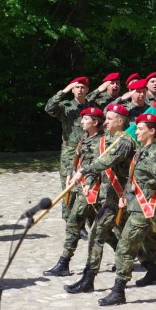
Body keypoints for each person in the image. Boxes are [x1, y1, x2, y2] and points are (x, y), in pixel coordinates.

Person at [98, 113, 156, 306]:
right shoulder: (142, 150)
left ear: (152, 131)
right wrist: (125, 196)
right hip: (134, 206)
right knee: (154, 249)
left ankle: (118, 291)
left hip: (143, 209)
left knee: (124, 249)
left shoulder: (154, 155)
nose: (137, 131)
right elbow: (135, 178)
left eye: (141, 129)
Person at [65, 104, 136, 293]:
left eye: (110, 119)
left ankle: (89, 280)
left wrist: (83, 171)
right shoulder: (110, 139)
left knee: (98, 233)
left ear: (120, 121)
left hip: (124, 197)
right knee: (147, 241)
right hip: (112, 196)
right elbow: (96, 162)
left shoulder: (124, 141)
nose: (106, 122)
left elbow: (105, 161)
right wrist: (88, 178)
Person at [44, 107, 105, 277]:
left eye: (85, 119)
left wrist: (85, 178)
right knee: (102, 228)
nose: (81, 122)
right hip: (80, 188)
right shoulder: (85, 138)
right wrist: (71, 174)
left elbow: (98, 166)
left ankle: (64, 263)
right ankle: (147, 262)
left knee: (73, 223)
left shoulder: (101, 142)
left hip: (91, 190)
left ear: (95, 122)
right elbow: (76, 159)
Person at [45, 76, 94, 223]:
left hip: (88, 151)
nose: (80, 90)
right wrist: (63, 91)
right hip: (70, 153)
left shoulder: (91, 107)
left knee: (86, 185)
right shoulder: (66, 107)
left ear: (87, 90)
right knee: (69, 187)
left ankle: (83, 220)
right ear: (73, 90)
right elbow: (49, 108)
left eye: (83, 87)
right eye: (77, 87)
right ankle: (69, 220)